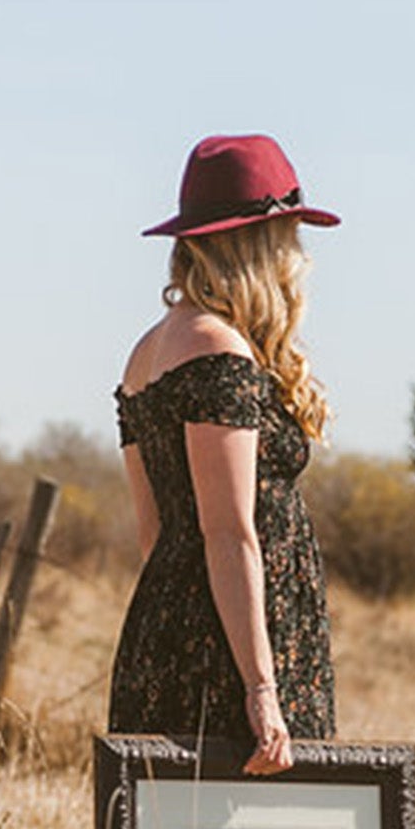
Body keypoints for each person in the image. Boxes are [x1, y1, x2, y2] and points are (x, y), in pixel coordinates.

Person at [108, 133, 339, 776]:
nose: (297, 256)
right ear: (259, 245)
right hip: (233, 654)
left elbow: (154, 535)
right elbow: (229, 531)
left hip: (176, 630)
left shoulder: (146, 351)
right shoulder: (218, 350)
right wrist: (261, 688)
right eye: (288, 236)